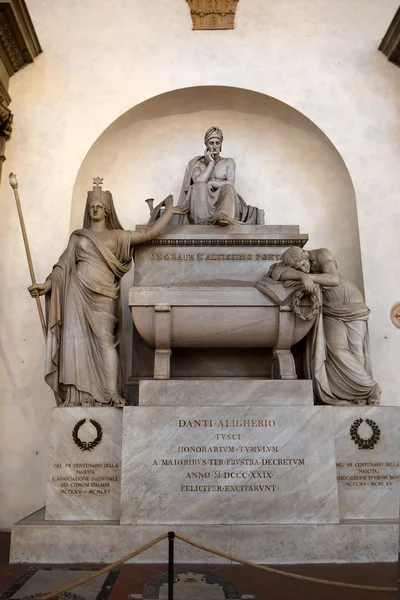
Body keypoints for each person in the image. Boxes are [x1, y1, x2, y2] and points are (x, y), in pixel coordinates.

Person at [28, 180, 187, 407]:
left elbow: (148, 235)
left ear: (107, 210)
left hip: (103, 295)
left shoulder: (117, 236)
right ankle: (79, 396)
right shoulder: (78, 237)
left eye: (99, 206)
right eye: (92, 206)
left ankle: (111, 393)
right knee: (76, 341)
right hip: (76, 293)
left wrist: (168, 214)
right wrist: (47, 285)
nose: (95, 209)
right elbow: (63, 266)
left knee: (106, 342)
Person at [267, 246, 381, 406]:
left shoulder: (322, 253)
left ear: (305, 254)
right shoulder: (296, 269)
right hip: (328, 308)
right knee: (336, 349)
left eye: (303, 264)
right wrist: (301, 276)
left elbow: (333, 279)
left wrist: (309, 278)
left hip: (351, 303)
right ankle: (368, 388)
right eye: (297, 267)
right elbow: (276, 272)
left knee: (357, 352)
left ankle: (363, 395)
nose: (302, 268)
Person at [177, 126, 262, 225]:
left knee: (228, 188)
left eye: (217, 143)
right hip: (203, 202)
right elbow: (198, 182)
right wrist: (211, 163)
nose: (214, 146)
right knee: (199, 186)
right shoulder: (198, 163)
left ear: (221, 145)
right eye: (211, 143)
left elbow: (230, 183)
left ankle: (223, 216)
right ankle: (203, 220)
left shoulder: (228, 162)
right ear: (206, 145)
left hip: (223, 199)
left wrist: (212, 183)